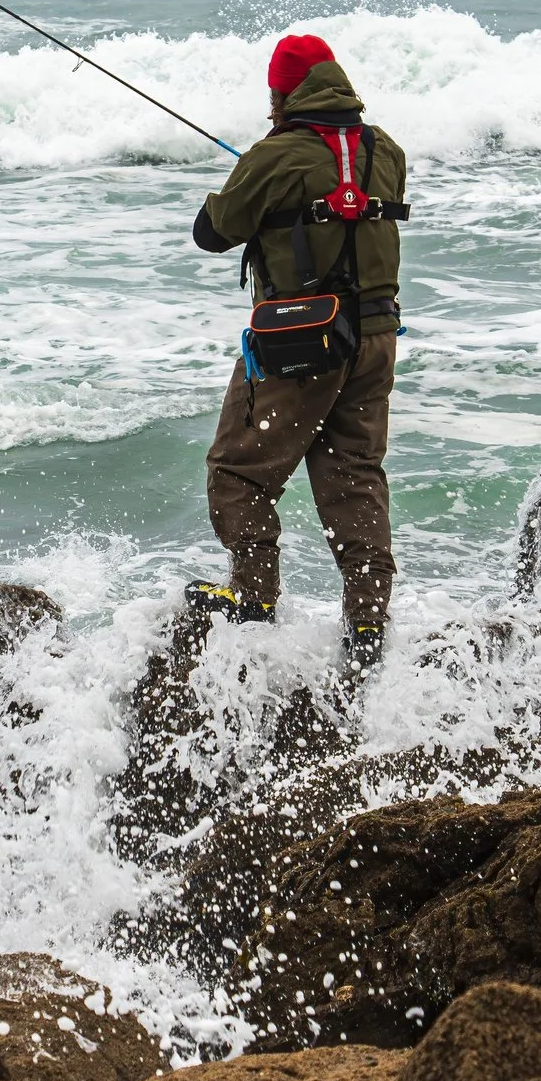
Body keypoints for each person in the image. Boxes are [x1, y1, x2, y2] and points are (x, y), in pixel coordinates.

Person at [185, 34, 409, 669]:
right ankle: (368, 621)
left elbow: (212, 233)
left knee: (238, 472)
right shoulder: (385, 150)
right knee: (355, 474)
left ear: (286, 94)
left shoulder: (275, 154)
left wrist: (247, 185)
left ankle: (255, 598)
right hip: (376, 337)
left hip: (301, 340)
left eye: (272, 96)